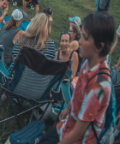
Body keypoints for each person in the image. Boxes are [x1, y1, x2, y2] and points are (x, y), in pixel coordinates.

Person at [39, 12, 114, 144]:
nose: (79, 41)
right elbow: (79, 89)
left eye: (85, 38)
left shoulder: (99, 85)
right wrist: (68, 107)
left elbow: (78, 133)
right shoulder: (88, 62)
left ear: (99, 46)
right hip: (65, 127)